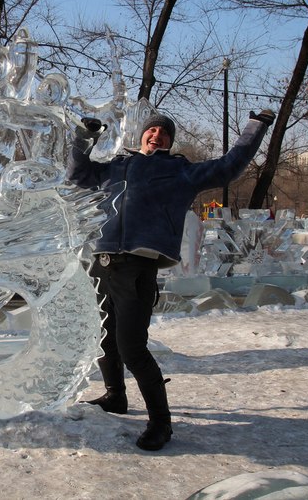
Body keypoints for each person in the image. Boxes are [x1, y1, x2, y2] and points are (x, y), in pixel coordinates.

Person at [67, 108, 276, 451]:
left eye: (164, 134)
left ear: (169, 142)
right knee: (102, 335)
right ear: (142, 136)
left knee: (132, 348)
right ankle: (115, 396)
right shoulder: (116, 166)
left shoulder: (180, 171)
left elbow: (230, 165)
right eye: (152, 131)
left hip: (139, 266)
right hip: (103, 261)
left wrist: (257, 126)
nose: (157, 136)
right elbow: (76, 174)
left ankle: (161, 423)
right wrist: (85, 138)